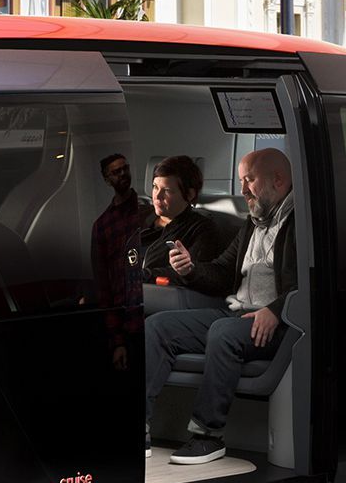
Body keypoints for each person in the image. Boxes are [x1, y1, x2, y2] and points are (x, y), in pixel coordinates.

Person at [145, 148, 298, 465]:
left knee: (223, 331)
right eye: (241, 180)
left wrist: (276, 309)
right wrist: (190, 269)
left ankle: (207, 436)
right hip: (235, 313)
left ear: (278, 179)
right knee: (158, 326)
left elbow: (314, 281)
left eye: (250, 180)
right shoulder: (253, 224)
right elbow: (222, 272)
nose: (243, 190)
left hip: (278, 322)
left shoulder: (302, 223)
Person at [139, 155, 230, 314]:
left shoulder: (201, 228)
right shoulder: (139, 217)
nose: (157, 196)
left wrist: (143, 275)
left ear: (189, 194)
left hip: (157, 300)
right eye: (155, 187)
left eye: (167, 190)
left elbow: (189, 275)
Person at [91, 153, 151, 369]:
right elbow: (103, 285)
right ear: (107, 180)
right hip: (126, 321)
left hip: (152, 309)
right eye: (116, 172)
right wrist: (117, 340)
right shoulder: (102, 225)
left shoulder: (148, 210)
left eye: (125, 168)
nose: (123, 174)